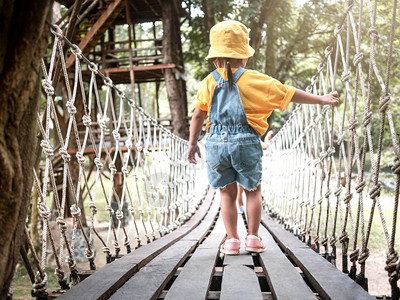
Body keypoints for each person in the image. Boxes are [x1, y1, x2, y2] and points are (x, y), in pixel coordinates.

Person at [187, 20, 339, 255]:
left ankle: (232, 241)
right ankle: (253, 238)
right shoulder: (256, 80)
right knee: (252, 190)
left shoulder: (209, 82)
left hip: (216, 144)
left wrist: (192, 144)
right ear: (244, 58)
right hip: (247, 142)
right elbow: (289, 94)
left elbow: (197, 116)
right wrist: (321, 99)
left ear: (215, 59)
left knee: (226, 194)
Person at [236, 130, 273, 214]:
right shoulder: (253, 136)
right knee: (254, 192)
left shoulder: (236, 134)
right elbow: (265, 146)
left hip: (238, 167)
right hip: (250, 168)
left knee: (239, 190)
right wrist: (267, 137)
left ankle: (240, 207)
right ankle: (240, 207)